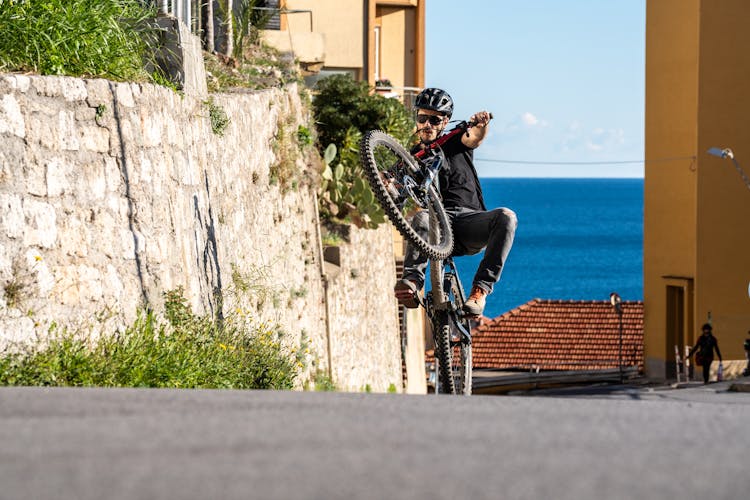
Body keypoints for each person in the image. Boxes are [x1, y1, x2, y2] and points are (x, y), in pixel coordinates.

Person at [393, 88, 517, 316]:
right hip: (436, 226)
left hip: (468, 223)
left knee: (506, 217)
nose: (427, 124)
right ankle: (412, 282)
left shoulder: (455, 142)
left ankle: (480, 290)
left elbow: (476, 137)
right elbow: (394, 186)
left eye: (434, 120)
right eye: (422, 118)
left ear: (445, 122)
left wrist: (481, 123)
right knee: (420, 216)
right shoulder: (411, 157)